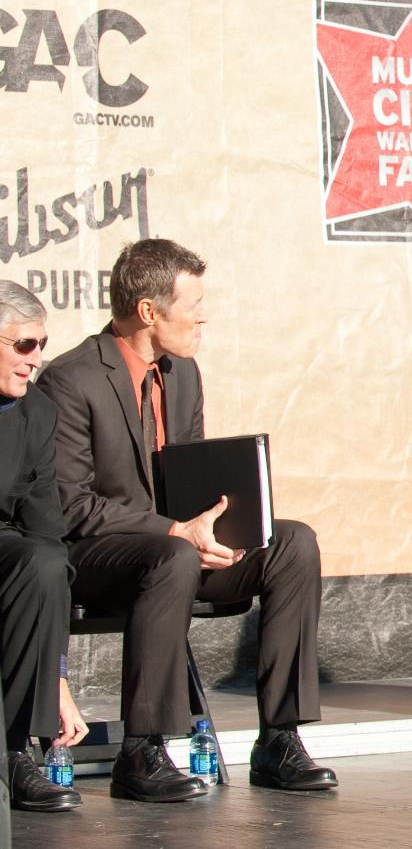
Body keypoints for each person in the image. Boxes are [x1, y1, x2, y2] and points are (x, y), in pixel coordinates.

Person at [42, 240, 332, 802]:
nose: (203, 315)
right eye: (192, 303)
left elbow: (187, 476)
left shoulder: (183, 374)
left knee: (292, 541)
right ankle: (143, 749)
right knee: (171, 554)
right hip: (97, 557)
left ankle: (280, 738)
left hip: (175, 551)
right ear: (149, 311)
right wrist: (176, 532)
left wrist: (219, 524)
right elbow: (71, 506)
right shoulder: (71, 379)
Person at [0, 283, 86, 813]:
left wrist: (56, 675)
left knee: (46, 561)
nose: (36, 360)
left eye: (41, 345)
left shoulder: (36, 413)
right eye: (24, 345)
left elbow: (46, 529)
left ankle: (14, 753)